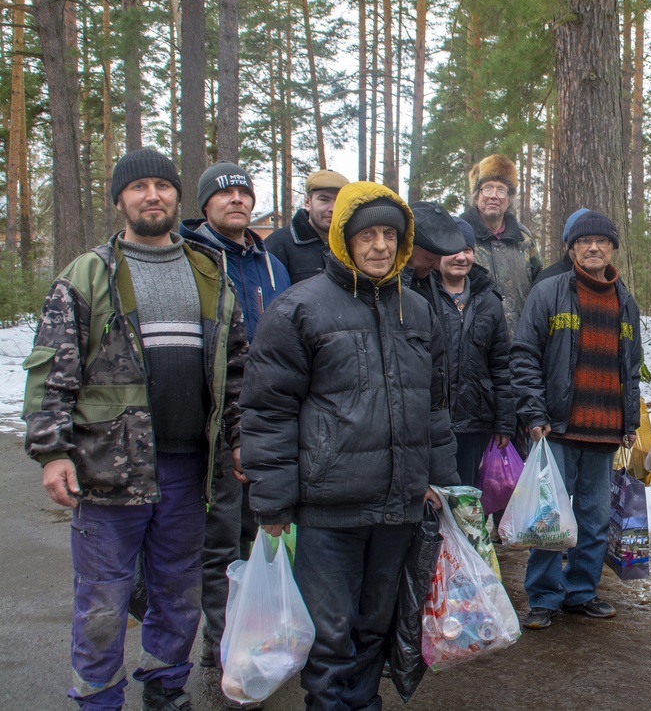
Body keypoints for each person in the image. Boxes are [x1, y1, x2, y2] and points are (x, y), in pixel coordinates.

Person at [23, 148, 247, 711]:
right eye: (139, 187)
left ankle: (165, 687)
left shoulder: (207, 272)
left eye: (163, 186)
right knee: (102, 599)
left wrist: (240, 440)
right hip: (108, 471)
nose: (152, 196)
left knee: (178, 590)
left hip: (188, 470)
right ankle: (98, 698)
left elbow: (236, 367)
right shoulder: (88, 273)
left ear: (177, 197)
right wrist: (54, 452)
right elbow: (52, 369)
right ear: (120, 199)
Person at [238, 182, 459, 710]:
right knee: (330, 637)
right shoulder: (299, 310)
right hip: (327, 510)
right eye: (368, 235)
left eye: (390, 234)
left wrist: (444, 483)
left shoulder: (419, 312)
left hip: (398, 506)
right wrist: (272, 502)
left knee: (373, 633)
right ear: (343, 238)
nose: (380, 245)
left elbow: (433, 406)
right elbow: (269, 412)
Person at [178, 162, 291, 672]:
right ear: (205, 205)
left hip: (269, 417)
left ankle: (258, 631)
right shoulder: (190, 260)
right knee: (220, 540)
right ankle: (224, 649)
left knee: (261, 529)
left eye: (244, 193)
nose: (237, 201)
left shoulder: (271, 264)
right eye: (225, 195)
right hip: (214, 422)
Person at [510, 210, 643, 630]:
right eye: (584, 242)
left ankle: (581, 592)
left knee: (595, 518)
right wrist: (533, 412)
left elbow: (632, 365)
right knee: (550, 518)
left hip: (604, 432)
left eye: (602, 242)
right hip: (557, 429)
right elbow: (525, 355)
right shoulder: (548, 292)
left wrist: (629, 423)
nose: (593, 248)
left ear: (613, 250)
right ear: (570, 249)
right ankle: (544, 597)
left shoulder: (625, 301)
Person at [424, 217, 516, 486]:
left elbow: (501, 365)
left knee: (466, 497)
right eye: (454, 250)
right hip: (431, 419)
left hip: (475, 419)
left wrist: (504, 422)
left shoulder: (489, 300)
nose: (461, 257)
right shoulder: (421, 293)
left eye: (467, 250)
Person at [461, 154, 542, 331]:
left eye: (501, 189)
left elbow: (539, 287)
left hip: (520, 341)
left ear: (509, 198)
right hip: (475, 344)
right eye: (487, 188)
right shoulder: (459, 235)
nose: (494, 196)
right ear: (476, 196)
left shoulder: (524, 239)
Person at [264, 169, 349, 283]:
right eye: (324, 200)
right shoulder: (278, 244)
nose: (332, 209)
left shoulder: (351, 244)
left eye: (339, 201)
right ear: (308, 202)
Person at [406, 200, 467, 289]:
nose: (437, 267)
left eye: (439, 259)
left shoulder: (433, 283)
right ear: (408, 247)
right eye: (429, 258)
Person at [533, 207, 590, 285]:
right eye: (584, 240)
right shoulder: (547, 280)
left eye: (599, 241)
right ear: (568, 242)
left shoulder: (607, 278)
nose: (592, 247)